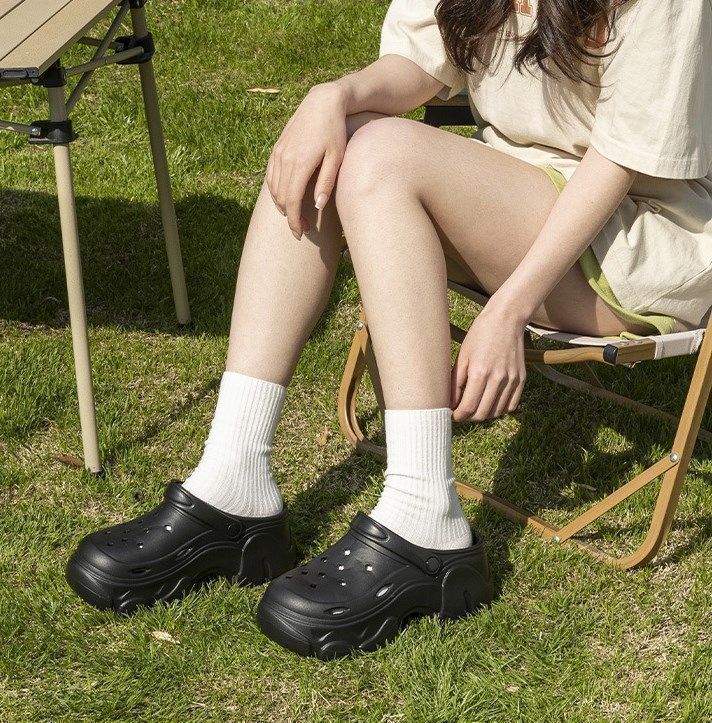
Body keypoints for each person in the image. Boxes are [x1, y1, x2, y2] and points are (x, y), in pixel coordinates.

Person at [65, 0, 712, 659]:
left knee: (379, 153)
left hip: (636, 235)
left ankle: (426, 517)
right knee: (327, 140)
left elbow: (621, 159)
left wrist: (508, 308)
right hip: (519, 195)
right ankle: (233, 482)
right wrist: (332, 96)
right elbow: (424, 63)